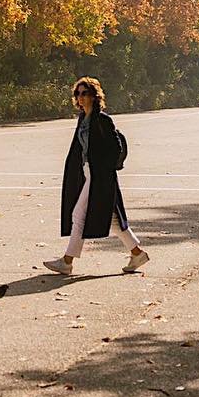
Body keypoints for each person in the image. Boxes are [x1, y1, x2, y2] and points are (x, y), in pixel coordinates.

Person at [44, 77, 148, 276]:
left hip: (99, 175)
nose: (80, 97)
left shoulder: (102, 120)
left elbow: (116, 148)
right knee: (112, 219)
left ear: (94, 95)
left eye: (84, 93)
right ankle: (137, 254)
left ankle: (67, 261)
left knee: (78, 215)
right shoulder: (83, 119)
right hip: (87, 173)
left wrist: (103, 170)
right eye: (78, 94)